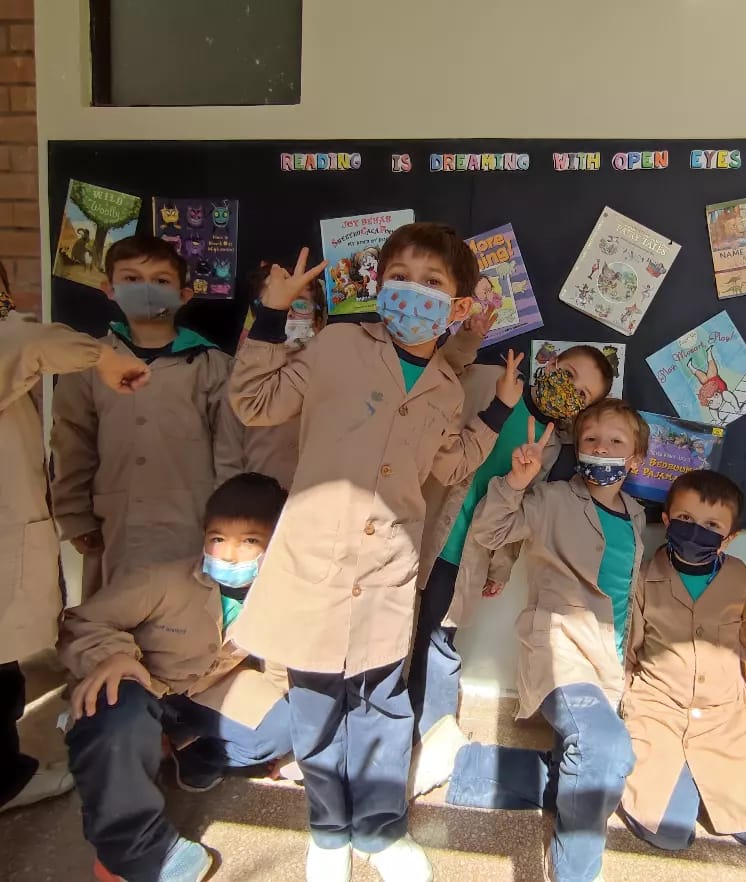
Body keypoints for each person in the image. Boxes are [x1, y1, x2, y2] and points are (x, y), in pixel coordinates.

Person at [228, 223, 523, 882]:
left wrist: (499, 412)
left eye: (432, 283)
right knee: (315, 705)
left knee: (384, 704)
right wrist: (271, 315)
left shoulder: (446, 387)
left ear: (457, 305)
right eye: (400, 277)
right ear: (378, 284)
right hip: (316, 559)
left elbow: (451, 465)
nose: (413, 291)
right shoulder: (337, 344)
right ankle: (328, 830)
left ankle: (380, 829)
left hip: (388, 568)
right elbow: (254, 401)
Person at [447, 398, 649, 882]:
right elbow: (490, 530)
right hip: (561, 651)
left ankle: (471, 768)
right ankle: (574, 871)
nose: (602, 448)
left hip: (611, 661)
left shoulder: (637, 515)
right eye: (591, 440)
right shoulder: (553, 499)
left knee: (594, 763)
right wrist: (517, 482)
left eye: (615, 442)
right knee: (606, 747)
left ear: (635, 460)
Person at [60, 472, 293, 882]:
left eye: (249, 541)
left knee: (286, 726)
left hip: (202, 693)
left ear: (275, 544)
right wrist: (113, 655)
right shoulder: (161, 580)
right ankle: (136, 853)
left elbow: (281, 663)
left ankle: (188, 751)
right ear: (203, 535)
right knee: (114, 710)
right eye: (218, 538)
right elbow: (81, 621)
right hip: (143, 687)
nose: (230, 554)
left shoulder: (276, 594)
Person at [408, 343, 615, 796]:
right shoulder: (488, 381)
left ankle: (428, 741)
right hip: (416, 521)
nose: (570, 390)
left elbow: (521, 516)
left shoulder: (554, 447)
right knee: (395, 629)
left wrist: (499, 568)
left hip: (466, 551)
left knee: (436, 639)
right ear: (551, 362)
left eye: (582, 394)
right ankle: (384, 728)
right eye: (569, 374)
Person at [0, 271, 150, 814]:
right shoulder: (26, 345)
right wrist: (102, 357)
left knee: (6, 672)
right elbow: (30, 342)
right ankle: (7, 780)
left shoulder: (200, 361)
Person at [50, 235, 246, 596]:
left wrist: (229, 523)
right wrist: (74, 514)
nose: (146, 289)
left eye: (160, 280)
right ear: (109, 289)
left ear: (183, 295)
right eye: (131, 279)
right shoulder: (90, 363)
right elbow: (72, 440)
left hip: (192, 521)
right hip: (114, 524)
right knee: (111, 616)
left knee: (185, 617)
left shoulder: (212, 365)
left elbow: (229, 451)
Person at [619, 469, 746, 852]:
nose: (696, 530)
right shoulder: (643, 575)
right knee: (666, 830)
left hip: (726, 716)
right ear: (666, 520)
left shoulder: (742, 581)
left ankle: (706, 775)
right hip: (658, 711)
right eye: (685, 518)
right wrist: (628, 706)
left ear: (729, 537)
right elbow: (628, 651)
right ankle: (680, 774)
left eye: (712, 525)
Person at [240, 263, 328, 491]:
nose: (287, 311)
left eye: (300, 303)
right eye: (275, 303)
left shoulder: (335, 373)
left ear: (318, 321)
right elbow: (227, 454)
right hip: (258, 502)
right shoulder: (242, 375)